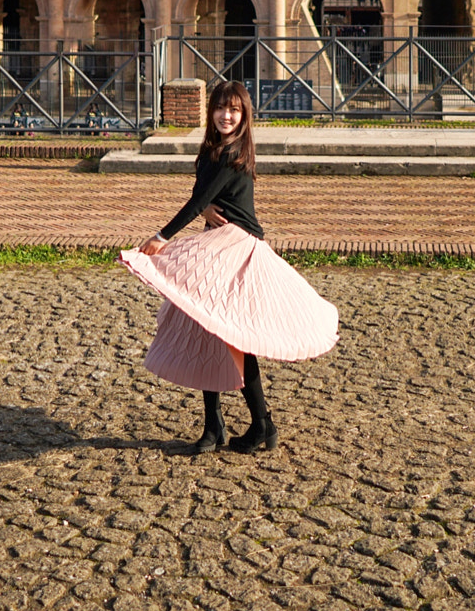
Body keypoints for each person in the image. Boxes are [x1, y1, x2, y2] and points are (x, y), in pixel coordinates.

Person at [121, 81, 338, 455]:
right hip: (217, 243)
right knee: (206, 324)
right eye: (221, 108)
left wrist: (162, 236)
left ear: (244, 116)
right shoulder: (211, 151)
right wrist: (205, 208)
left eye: (234, 110)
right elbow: (203, 198)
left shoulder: (233, 151)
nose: (226, 115)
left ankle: (261, 424)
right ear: (212, 112)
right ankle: (215, 425)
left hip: (239, 250)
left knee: (237, 336)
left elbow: (199, 198)